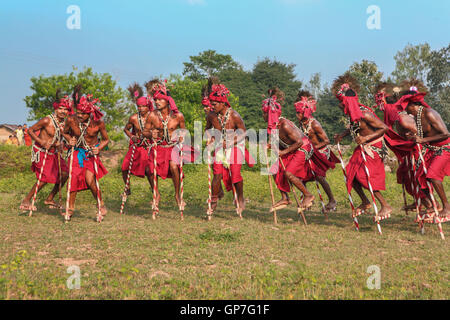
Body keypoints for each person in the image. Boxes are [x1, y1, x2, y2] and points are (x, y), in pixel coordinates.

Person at [333, 73, 392, 219]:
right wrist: (342, 135)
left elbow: (384, 128)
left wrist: (366, 137)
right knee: (350, 174)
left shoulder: (364, 113)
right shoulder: (353, 114)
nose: (340, 105)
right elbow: (354, 127)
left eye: (341, 102)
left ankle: (385, 206)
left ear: (347, 102)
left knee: (366, 178)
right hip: (362, 148)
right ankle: (365, 201)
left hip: (373, 148)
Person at [395, 81, 450, 219]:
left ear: (412, 105)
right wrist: (414, 137)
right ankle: (433, 206)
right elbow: (424, 135)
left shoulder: (430, 113)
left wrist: (423, 140)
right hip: (432, 149)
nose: (404, 110)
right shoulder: (418, 116)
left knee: (432, 176)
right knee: (419, 177)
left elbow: (446, 134)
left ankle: (447, 208)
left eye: (405, 107)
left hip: (444, 148)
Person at [262, 87, 315, 212]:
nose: (263, 116)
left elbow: (299, 142)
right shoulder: (274, 126)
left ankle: (308, 195)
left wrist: (283, 152)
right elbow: (276, 139)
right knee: (274, 169)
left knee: (288, 173)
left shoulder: (284, 124)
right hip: (292, 149)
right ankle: (285, 198)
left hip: (303, 147)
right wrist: (269, 145)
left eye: (264, 113)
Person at [19, 90, 71, 211]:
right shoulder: (47, 120)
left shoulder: (65, 123)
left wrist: (61, 144)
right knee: (43, 179)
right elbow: (30, 130)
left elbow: (61, 137)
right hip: (42, 151)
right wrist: (41, 141)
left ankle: (50, 198)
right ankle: (26, 200)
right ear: (56, 109)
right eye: (61, 109)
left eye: (65, 109)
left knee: (65, 174)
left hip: (54, 153)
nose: (63, 111)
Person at [64, 85, 109, 220]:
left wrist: (98, 148)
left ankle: (100, 204)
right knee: (73, 179)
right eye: (78, 112)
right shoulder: (71, 120)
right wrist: (69, 139)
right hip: (77, 153)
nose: (79, 115)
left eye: (82, 113)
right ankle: (70, 209)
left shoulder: (98, 123)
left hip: (90, 154)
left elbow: (106, 140)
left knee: (90, 180)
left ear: (89, 113)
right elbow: (64, 132)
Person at [142, 80, 187, 213]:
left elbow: (184, 131)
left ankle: (177, 195)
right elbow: (144, 132)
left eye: (160, 100)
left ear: (167, 100)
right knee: (149, 170)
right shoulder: (152, 115)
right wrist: (151, 134)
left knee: (174, 166)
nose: (157, 102)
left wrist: (181, 137)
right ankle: (156, 194)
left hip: (173, 147)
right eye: (155, 100)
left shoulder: (178, 116)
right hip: (158, 146)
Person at [206, 83, 250, 217]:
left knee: (235, 174)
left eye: (214, 104)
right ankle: (213, 200)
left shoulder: (234, 116)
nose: (212, 107)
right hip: (220, 145)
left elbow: (244, 133)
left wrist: (232, 142)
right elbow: (207, 129)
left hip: (236, 145)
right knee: (217, 172)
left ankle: (240, 198)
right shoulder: (211, 116)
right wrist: (211, 138)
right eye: (211, 104)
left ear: (223, 103)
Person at [295, 90, 339, 212]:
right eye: (296, 112)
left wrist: (312, 149)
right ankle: (308, 199)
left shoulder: (315, 124)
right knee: (299, 175)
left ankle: (332, 201)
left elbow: (326, 140)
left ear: (305, 111)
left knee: (319, 176)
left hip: (321, 152)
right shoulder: (300, 124)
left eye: (299, 113)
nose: (297, 115)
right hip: (309, 152)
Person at [121, 83, 153, 194]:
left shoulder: (154, 116)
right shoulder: (134, 118)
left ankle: (154, 190)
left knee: (149, 171)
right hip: (137, 145)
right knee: (124, 167)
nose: (141, 108)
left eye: (143, 106)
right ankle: (127, 188)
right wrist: (132, 136)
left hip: (150, 147)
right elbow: (126, 129)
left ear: (148, 106)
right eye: (139, 106)